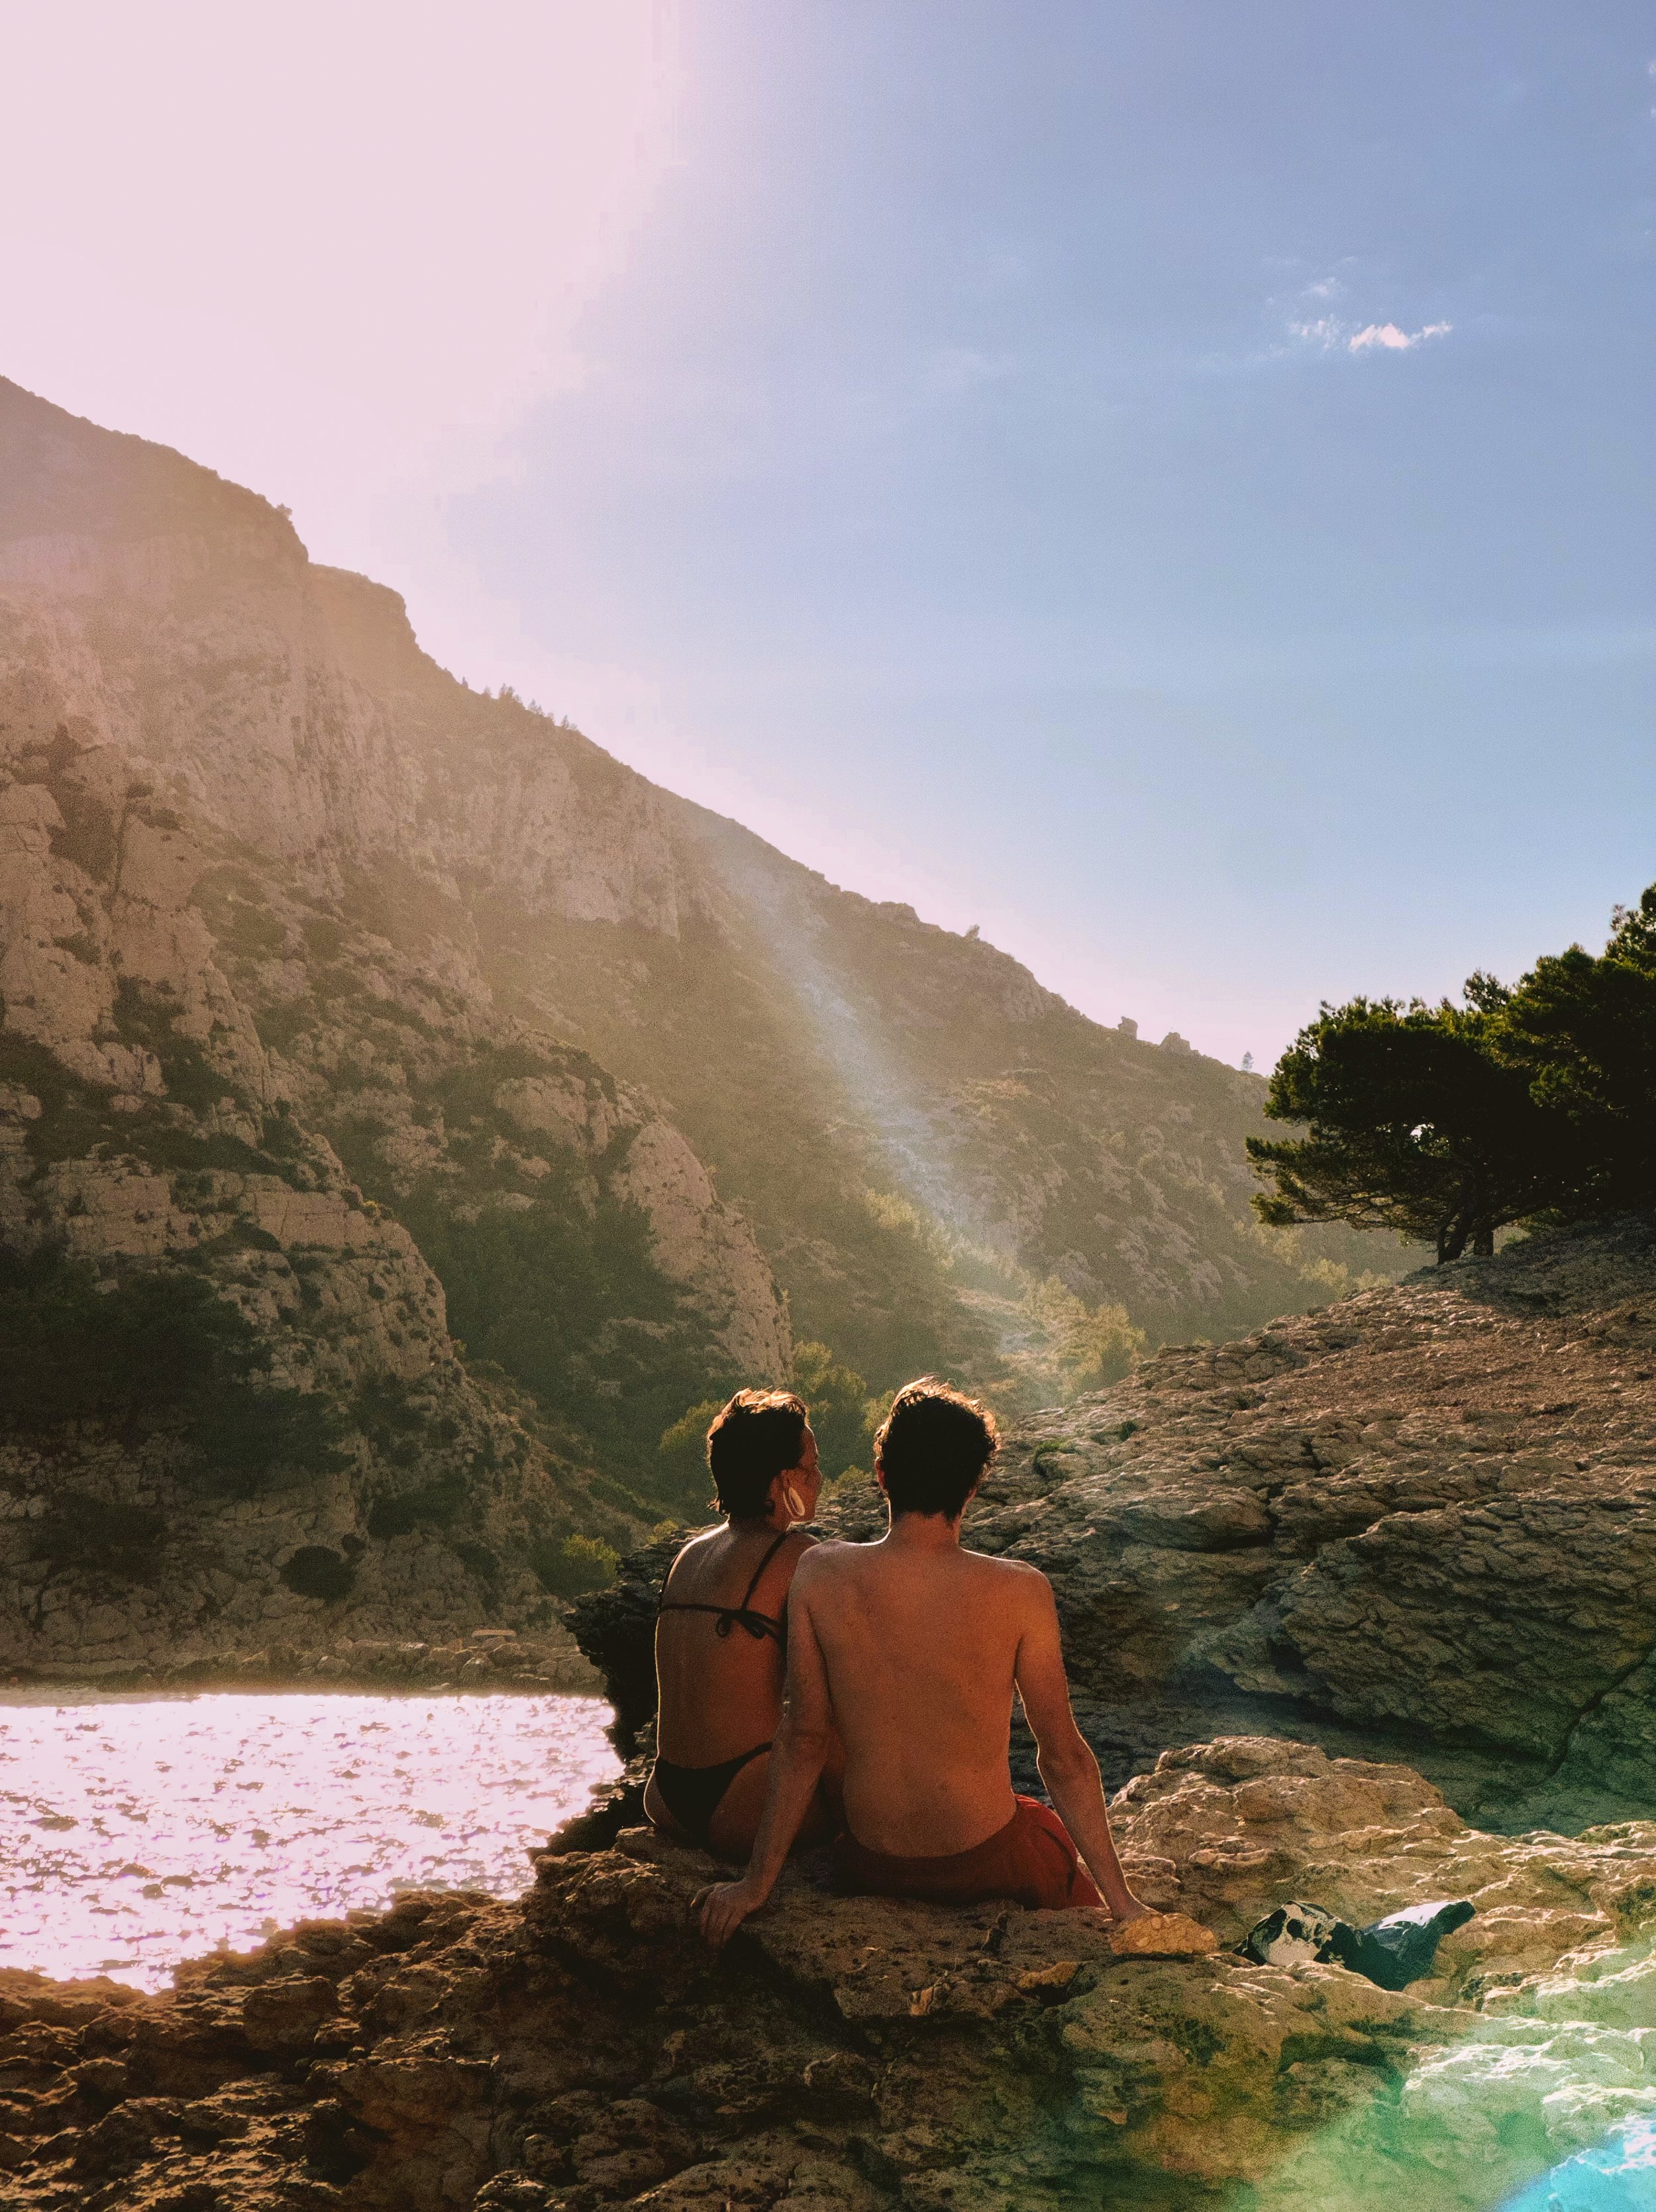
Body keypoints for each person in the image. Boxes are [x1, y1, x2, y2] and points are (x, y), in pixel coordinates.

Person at [698, 1378, 1152, 1945]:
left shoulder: (819, 1573)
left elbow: (804, 1737)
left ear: (883, 1474)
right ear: (973, 1484)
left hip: (871, 1863)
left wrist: (754, 1884)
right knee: (1039, 1829)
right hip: (979, 1861)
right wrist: (1123, 1901)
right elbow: (1062, 1757)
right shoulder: (1021, 1591)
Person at [644, 1388, 837, 1863]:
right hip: (741, 1804)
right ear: (779, 1481)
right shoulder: (795, 1554)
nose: (818, 1478)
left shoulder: (689, 1554)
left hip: (665, 1796)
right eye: (809, 1467)